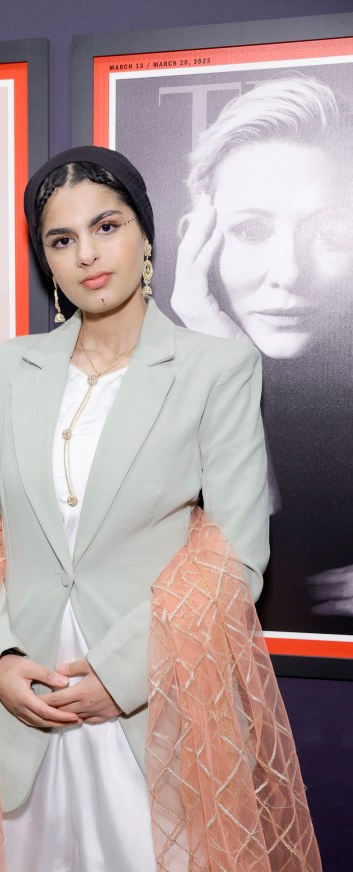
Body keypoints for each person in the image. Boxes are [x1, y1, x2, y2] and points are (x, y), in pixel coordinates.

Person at [0, 146, 327, 872]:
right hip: (15, 715)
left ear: (146, 238)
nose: (86, 253)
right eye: (59, 239)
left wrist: (120, 677)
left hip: (155, 716)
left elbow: (236, 558)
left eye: (105, 226)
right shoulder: (7, 372)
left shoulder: (215, 370)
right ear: (42, 259)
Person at [170, 75, 353, 629]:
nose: (290, 275)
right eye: (251, 231)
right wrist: (230, 365)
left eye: (329, 233)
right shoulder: (146, 381)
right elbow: (258, 580)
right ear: (197, 241)